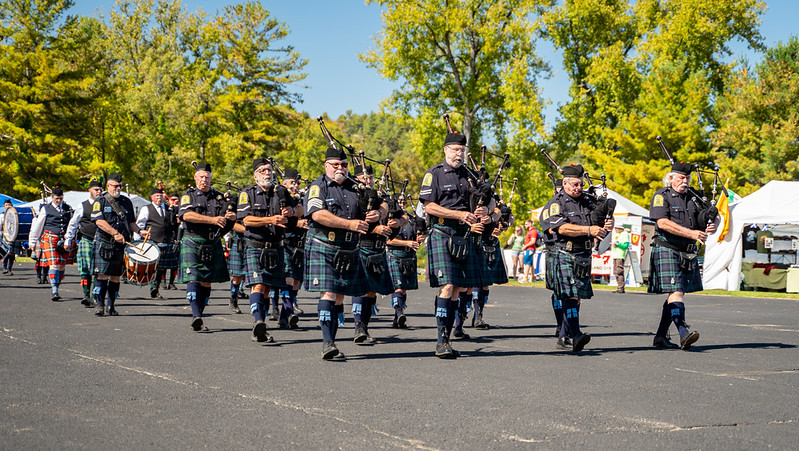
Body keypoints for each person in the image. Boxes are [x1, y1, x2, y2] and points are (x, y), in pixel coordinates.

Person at [419, 132, 488, 358]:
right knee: (448, 286)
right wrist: (458, 215)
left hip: (465, 235)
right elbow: (428, 207)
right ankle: (441, 340)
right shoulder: (435, 174)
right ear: (446, 150)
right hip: (442, 231)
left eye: (461, 150)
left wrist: (483, 210)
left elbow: (489, 202)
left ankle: (448, 337)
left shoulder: (470, 175)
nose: (458, 154)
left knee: (458, 288)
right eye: (454, 150)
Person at [304, 147, 373, 360]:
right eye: (335, 165)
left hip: (349, 249)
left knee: (339, 296)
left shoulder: (356, 187)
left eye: (344, 165)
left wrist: (377, 212)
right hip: (324, 245)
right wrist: (350, 224)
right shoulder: (318, 186)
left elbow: (384, 206)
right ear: (326, 166)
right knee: (329, 293)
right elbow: (317, 214)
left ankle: (332, 341)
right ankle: (327, 343)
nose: (340, 168)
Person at [648, 162, 716, 350]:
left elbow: (712, 216)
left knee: (675, 293)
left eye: (687, 178)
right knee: (676, 291)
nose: (684, 181)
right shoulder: (661, 196)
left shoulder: (694, 197)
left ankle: (661, 336)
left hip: (687, 252)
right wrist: (692, 233)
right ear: (671, 179)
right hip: (667, 248)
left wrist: (712, 223)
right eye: (681, 178)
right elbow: (662, 223)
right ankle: (683, 332)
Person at [547, 165, 612, 352]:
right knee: (570, 295)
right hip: (565, 252)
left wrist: (606, 222)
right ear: (565, 183)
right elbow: (561, 228)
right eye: (575, 184)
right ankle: (575, 334)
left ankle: (564, 336)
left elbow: (598, 223)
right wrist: (588, 230)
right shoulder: (556, 203)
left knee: (576, 298)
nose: (579, 187)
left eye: (581, 184)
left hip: (583, 254)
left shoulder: (587, 201)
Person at [238, 158, 301, 343]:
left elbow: (300, 208)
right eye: (263, 170)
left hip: (276, 247)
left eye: (269, 170)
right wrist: (270, 220)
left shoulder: (280, 191)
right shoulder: (247, 193)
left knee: (266, 290)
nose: (268, 173)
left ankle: (261, 325)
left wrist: (291, 211)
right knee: (258, 286)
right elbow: (246, 220)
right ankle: (258, 322)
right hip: (256, 247)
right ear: (255, 175)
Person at [178, 162, 235, 331]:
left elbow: (225, 223)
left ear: (211, 179)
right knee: (193, 277)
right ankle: (196, 315)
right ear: (195, 178)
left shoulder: (219, 197)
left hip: (212, 242)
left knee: (206, 283)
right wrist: (211, 220)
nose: (204, 180)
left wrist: (231, 219)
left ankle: (199, 316)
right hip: (193, 240)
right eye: (201, 177)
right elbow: (186, 215)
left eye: (207, 177)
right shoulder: (188, 195)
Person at [351, 164, 400, 345]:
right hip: (360, 246)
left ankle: (364, 326)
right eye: (364, 178)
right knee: (361, 289)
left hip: (378, 250)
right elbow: (351, 223)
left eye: (370, 178)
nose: (368, 181)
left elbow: (403, 217)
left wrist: (396, 223)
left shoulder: (380, 198)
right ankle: (358, 328)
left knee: (371, 292)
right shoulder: (352, 198)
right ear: (356, 179)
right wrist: (376, 229)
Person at [91, 173, 149, 315]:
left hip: (120, 245)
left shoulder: (126, 202)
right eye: (115, 186)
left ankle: (111, 306)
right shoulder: (100, 201)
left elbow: (130, 223)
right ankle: (99, 305)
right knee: (102, 275)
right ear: (108, 186)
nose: (118, 188)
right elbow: (99, 221)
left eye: (120, 186)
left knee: (116, 276)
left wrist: (140, 231)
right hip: (105, 242)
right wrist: (114, 233)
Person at [28, 186, 75, 302]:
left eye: (60, 198)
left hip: (64, 239)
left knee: (62, 265)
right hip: (50, 238)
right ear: (52, 197)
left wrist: (72, 238)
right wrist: (32, 241)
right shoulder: (45, 209)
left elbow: (72, 225)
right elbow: (38, 225)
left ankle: (57, 285)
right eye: (56, 199)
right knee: (53, 264)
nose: (58, 201)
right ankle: (55, 290)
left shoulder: (68, 208)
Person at [136, 186, 180, 300]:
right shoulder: (147, 208)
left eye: (160, 196)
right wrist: (138, 241)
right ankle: (153, 288)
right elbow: (140, 225)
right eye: (157, 196)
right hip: (152, 242)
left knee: (161, 268)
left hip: (166, 241)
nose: (159, 198)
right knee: (154, 267)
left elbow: (174, 225)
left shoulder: (168, 208)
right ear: (152, 197)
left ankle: (156, 289)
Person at [386, 193, 422, 329]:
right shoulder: (389, 221)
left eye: (403, 202)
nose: (402, 204)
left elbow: (417, 237)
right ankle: (400, 313)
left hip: (409, 257)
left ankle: (397, 318)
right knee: (398, 287)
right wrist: (407, 243)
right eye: (399, 202)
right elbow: (388, 240)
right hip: (394, 255)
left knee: (404, 290)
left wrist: (420, 239)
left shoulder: (412, 220)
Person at [64, 179, 103, 306]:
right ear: (89, 190)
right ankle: (86, 295)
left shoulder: (104, 204)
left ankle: (94, 296)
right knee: (85, 269)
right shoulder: (83, 206)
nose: (98, 192)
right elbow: (73, 224)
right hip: (86, 239)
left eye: (100, 189)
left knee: (98, 270)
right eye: (96, 189)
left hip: (101, 241)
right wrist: (68, 239)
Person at [540, 178, 566, 338]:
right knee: (558, 291)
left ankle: (567, 324)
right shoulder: (551, 206)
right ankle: (559, 324)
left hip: (569, 250)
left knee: (572, 293)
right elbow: (551, 229)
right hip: (554, 249)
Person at [280, 169, 308, 317]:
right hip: (284, 241)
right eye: (292, 183)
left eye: (297, 183)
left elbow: (304, 210)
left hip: (299, 243)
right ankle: (284, 311)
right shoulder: (279, 197)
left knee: (297, 279)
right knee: (288, 278)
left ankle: (290, 304)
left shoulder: (300, 198)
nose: (295, 186)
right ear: (284, 184)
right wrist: (297, 223)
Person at [2, 199, 21, 276]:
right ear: (4, 206)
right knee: (7, 252)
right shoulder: (2, 216)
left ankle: (9, 269)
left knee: (12, 253)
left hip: (14, 236)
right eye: (6, 205)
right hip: (6, 235)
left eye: (9, 205)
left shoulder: (15, 215)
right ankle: (4, 267)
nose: (8, 206)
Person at [611, 224, 632, 294]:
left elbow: (625, 245)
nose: (615, 230)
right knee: (616, 272)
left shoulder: (625, 234)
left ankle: (621, 287)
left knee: (619, 271)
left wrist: (617, 244)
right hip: (616, 255)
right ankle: (619, 286)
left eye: (617, 228)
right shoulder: (619, 235)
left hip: (620, 255)